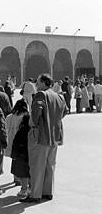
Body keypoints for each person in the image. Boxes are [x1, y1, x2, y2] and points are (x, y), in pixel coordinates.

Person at [20, 73, 67, 203]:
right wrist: (54, 121)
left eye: (39, 82)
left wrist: (33, 124)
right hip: (54, 135)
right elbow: (65, 111)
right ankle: (48, 192)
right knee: (50, 165)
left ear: (44, 83)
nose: (36, 84)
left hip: (41, 135)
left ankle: (35, 194)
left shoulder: (41, 95)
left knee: (37, 165)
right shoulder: (59, 96)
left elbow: (36, 113)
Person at [5, 99, 28, 186]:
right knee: (22, 162)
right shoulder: (24, 117)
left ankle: (15, 178)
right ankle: (21, 179)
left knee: (14, 159)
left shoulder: (9, 116)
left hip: (11, 141)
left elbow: (5, 127)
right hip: (21, 143)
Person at [11, 111, 31, 197]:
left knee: (23, 174)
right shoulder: (33, 130)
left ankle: (24, 190)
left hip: (22, 155)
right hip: (31, 154)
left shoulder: (21, 131)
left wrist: (14, 155)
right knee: (30, 173)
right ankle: (30, 188)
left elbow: (15, 143)